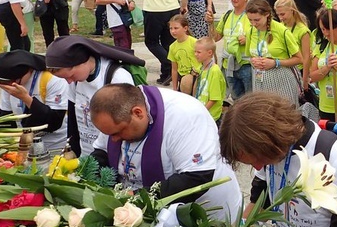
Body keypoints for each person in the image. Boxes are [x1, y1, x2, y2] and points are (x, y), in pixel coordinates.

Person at [218, 92, 337, 227]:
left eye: (258, 160)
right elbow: (260, 201)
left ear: (271, 139)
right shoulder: (271, 152)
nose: (258, 167)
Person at [90, 83, 242, 219]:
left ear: (138, 113)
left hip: (204, 211)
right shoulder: (117, 111)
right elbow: (102, 152)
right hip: (142, 209)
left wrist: (134, 198)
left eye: (118, 132)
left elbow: (196, 178)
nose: (114, 140)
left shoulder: (186, 115)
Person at [45, 36, 145, 156]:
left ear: (82, 61)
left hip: (111, 155)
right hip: (86, 153)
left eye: (70, 76)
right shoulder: (75, 81)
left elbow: (127, 122)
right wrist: (72, 150)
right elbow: (72, 118)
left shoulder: (116, 77)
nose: (69, 82)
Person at [0, 50, 69, 157]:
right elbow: (6, 118)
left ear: (29, 70)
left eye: (13, 82)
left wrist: (26, 99)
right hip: (25, 146)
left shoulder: (51, 79)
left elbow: (54, 121)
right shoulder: (9, 85)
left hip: (55, 146)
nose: (9, 87)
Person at [246, 0, 302, 105]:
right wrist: (253, 61)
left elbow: (299, 59)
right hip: (259, 81)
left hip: (281, 80)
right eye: (250, 20)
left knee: (283, 116)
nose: (253, 24)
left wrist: (275, 62)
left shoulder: (281, 31)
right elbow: (250, 55)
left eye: (257, 20)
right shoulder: (250, 32)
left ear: (267, 14)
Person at [211, 0, 251, 100]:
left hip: (246, 65)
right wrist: (210, 23)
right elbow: (216, 37)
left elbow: (261, 37)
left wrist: (248, 39)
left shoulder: (251, 16)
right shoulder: (227, 15)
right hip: (228, 65)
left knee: (249, 100)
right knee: (235, 99)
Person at [274, 0, 311, 94]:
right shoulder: (280, 26)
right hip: (283, 69)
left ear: (292, 11)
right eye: (278, 15)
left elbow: (306, 57)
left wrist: (305, 79)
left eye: (282, 14)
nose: (280, 18)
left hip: (298, 70)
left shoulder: (302, 30)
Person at [193, 37, 224, 125]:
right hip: (202, 109)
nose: (195, 54)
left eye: (198, 52)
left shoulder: (214, 71)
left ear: (209, 53)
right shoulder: (201, 68)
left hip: (210, 115)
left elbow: (214, 98)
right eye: (195, 51)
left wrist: (202, 111)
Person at [167, 14, 201, 93]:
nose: (173, 31)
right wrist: (175, 88)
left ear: (185, 28)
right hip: (182, 78)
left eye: (176, 28)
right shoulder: (172, 47)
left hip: (196, 76)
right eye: (171, 28)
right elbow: (174, 69)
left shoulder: (194, 42)